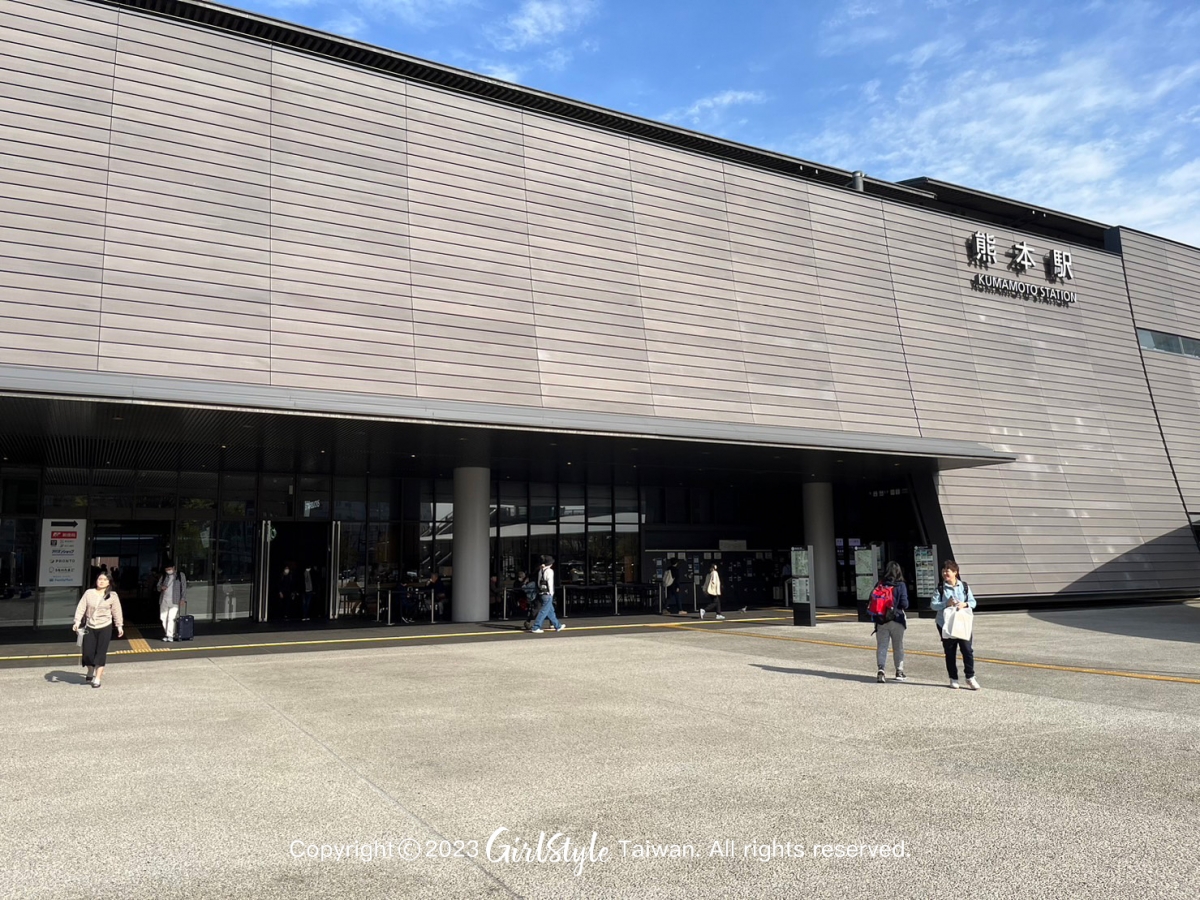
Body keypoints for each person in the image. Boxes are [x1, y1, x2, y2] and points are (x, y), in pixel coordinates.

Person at [929, 559, 980, 690]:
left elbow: (973, 602)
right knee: (950, 651)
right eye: (943, 571)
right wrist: (946, 604)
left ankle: (970, 677)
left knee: (967, 650)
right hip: (945, 623)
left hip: (962, 622)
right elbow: (933, 605)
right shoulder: (940, 588)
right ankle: (953, 678)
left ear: (955, 572)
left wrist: (965, 604)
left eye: (948, 570)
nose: (945, 573)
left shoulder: (964, 586)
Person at [73, 572, 124, 689]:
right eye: (100, 579)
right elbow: (81, 607)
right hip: (90, 626)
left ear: (109, 583)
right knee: (87, 654)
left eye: (105, 580)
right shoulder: (89, 593)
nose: (101, 581)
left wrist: (119, 625)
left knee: (101, 653)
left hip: (105, 626)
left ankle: (98, 678)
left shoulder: (112, 595)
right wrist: (77, 621)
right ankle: (90, 670)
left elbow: (117, 611)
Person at [871, 561, 910, 683]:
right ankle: (899, 671)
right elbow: (905, 604)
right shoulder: (901, 585)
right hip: (897, 619)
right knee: (898, 646)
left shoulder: (880, 584)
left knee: (882, 645)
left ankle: (881, 670)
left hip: (881, 620)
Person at [529, 556, 565, 634]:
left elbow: (538, 582)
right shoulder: (550, 571)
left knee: (550, 610)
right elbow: (550, 583)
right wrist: (551, 592)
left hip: (541, 592)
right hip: (547, 593)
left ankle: (557, 625)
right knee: (544, 611)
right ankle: (536, 627)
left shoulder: (541, 571)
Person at [157, 561, 187, 642]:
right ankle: (168, 634)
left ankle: (170, 635)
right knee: (163, 618)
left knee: (171, 618)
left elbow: (183, 588)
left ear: (174, 568)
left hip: (175, 600)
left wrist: (183, 599)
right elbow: (158, 587)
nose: (168, 571)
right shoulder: (164, 576)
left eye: (169, 569)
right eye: (166, 569)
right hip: (164, 600)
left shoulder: (180, 575)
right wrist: (161, 587)